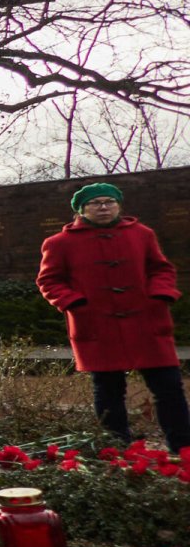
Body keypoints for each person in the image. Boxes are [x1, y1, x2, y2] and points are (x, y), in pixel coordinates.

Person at [36, 181, 188, 450]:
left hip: (147, 323)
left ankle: (184, 450)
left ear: (119, 205)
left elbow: (161, 269)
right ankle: (117, 453)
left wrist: (160, 296)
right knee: (108, 393)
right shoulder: (59, 243)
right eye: (95, 203)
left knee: (169, 389)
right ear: (82, 210)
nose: (103, 207)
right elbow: (49, 281)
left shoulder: (142, 234)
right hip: (96, 326)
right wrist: (76, 304)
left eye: (109, 202)